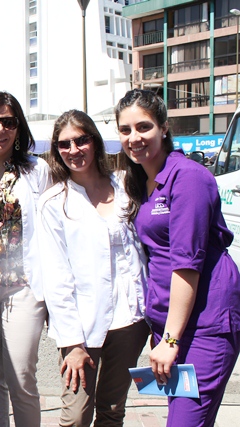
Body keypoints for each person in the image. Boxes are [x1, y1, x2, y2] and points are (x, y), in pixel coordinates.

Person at [116, 89, 240, 427]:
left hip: (205, 324)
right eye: (125, 130)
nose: (134, 138)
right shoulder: (143, 181)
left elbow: (187, 264)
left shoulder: (188, 178)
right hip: (172, 324)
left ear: (164, 127)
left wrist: (170, 338)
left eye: (144, 127)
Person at [37, 110, 149, 426]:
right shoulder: (54, 203)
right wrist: (72, 343)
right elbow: (56, 276)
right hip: (83, 326)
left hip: (131, 320)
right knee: (75, 416)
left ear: (95, 141)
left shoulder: (126, 185)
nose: (74, 150)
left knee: (112, 411)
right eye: (64, 144)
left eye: (81, 140)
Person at [0, 91, 50, 427]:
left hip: (23, 289)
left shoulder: (36, 170)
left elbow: (50, 229)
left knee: (21, 377)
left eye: (8, 122)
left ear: (18, 128)